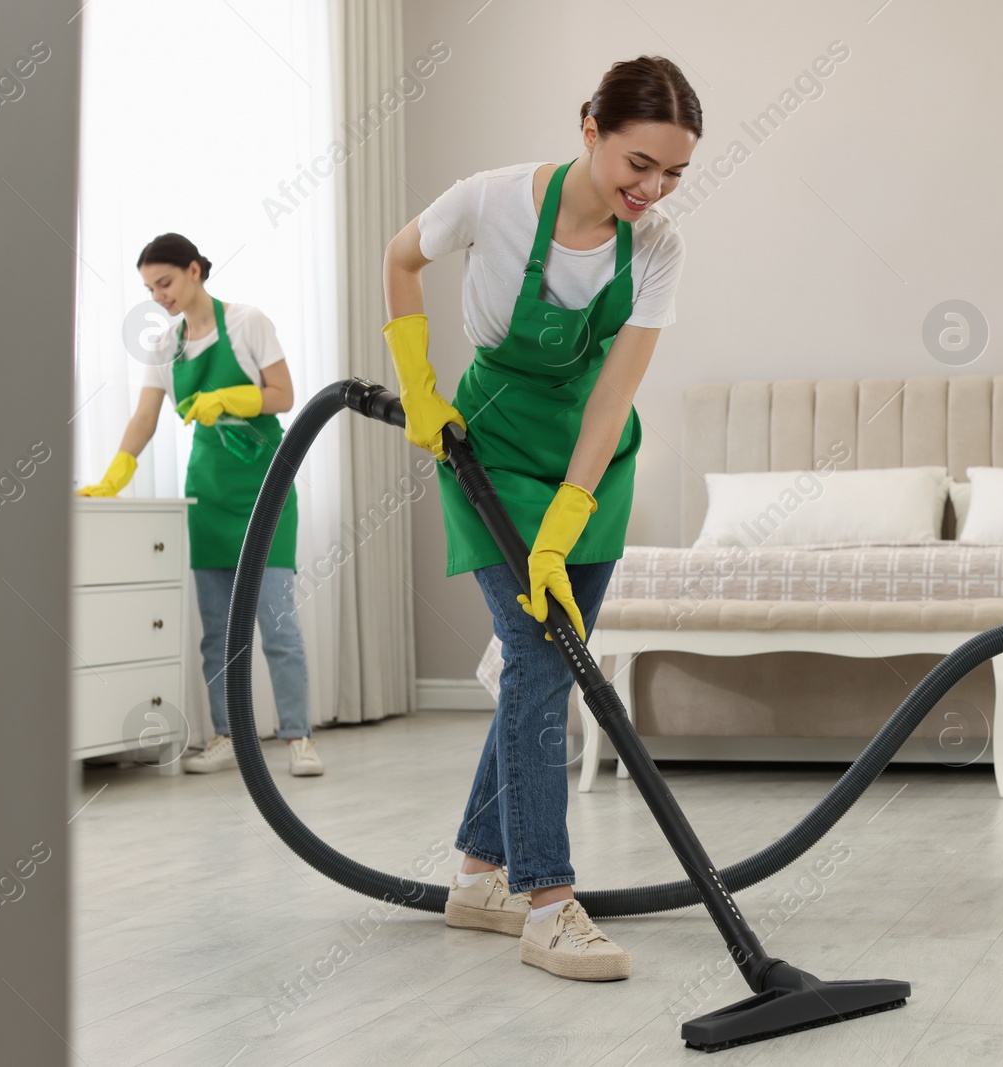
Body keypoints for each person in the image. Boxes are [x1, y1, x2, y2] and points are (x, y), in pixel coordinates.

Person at [381, 56, 699, 981]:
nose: (653, 189)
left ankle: (482, 873)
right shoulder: (493, 201)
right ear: (591, 127)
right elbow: (402, 257)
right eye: (639, 163)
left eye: (674, 172)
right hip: (488, 444)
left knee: (542, 661)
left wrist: (568, 515)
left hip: (591, 465)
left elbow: (611, 398)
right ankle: (548, 902)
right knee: (537, 656)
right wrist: (417, 386)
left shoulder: (661, 249)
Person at [79, 233, 323, 777]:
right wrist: (116, 471)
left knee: (277, 625)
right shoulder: (164, 345)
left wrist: (233, 397)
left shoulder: (247, 322)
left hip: (265, 486)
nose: (158, 295)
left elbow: (283, 394)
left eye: (164, 282)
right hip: (209, 491)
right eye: (148, 288)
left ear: (194, 271)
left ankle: (299, 737)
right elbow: (146, 417)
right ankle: (225, 737)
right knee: (217, 631)